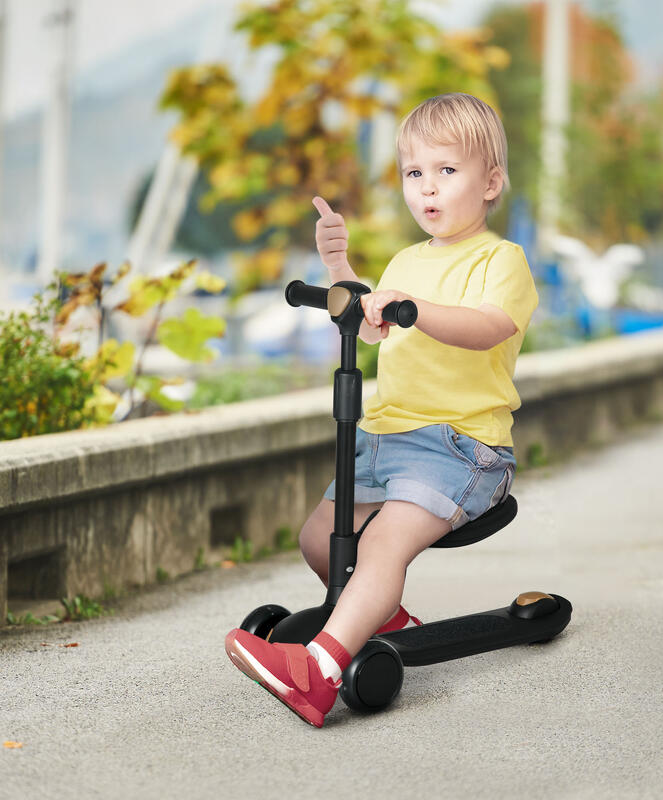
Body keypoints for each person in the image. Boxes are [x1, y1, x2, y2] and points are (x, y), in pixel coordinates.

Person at [225, 93, 538, 727]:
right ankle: (382, 616)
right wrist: (339, 266)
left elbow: (486, 327)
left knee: (380, 547)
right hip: (385, 440)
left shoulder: (499, 260)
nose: (427, 188)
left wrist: (415, 309)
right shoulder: (403, 262)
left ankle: (319, 671)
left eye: (447, 171)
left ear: (490, 181)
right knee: (320, 539)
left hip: (462, 446)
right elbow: (372, 327)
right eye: (413, 173)